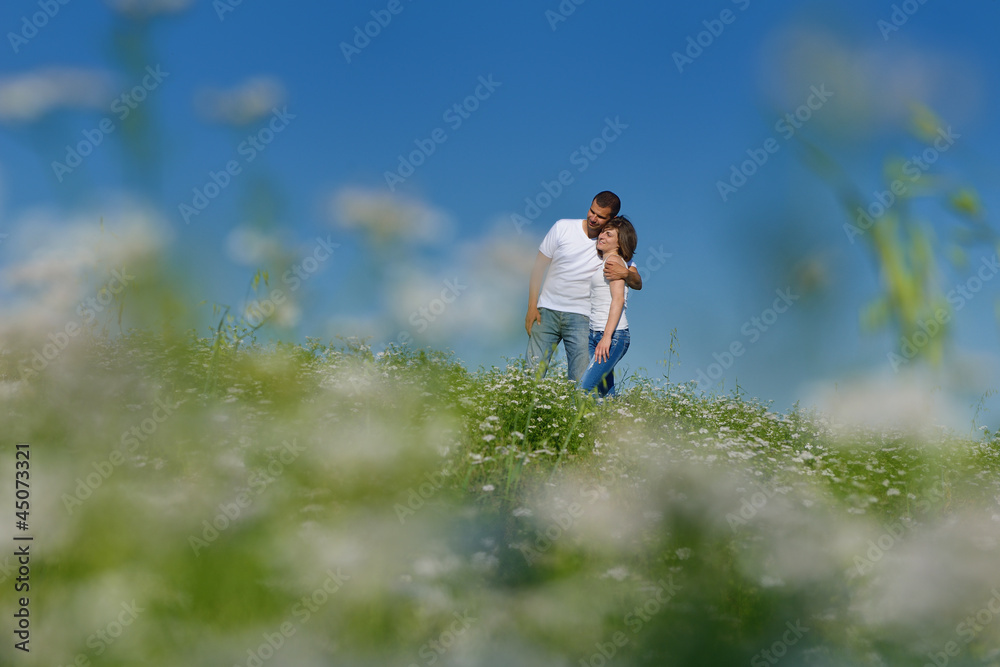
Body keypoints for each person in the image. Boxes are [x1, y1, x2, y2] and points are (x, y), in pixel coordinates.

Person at [525, 191, 642, 382]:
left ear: (611, 218)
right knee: (531, 373)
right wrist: (531, 307)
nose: (593, 218)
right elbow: (538, 267)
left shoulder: (609, 244)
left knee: (580, 379)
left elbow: (637, 282)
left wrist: (625, 273)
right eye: (592, 211)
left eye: (601, 216)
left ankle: (578, 411)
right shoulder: (562, 227)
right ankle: (523, 410)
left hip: (582, 318)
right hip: (546, 311)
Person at [579, 216, 637, 397]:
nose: (602, 235)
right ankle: (612, 424)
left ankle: (579, 423)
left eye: (609, 234)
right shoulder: (605, 263)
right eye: (603, 232)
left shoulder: (614, 263)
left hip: (612, 336)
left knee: (584, 389)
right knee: (605, 394)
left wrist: (606, 337)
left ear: (620, 243)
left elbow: (618, 300)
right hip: (596, 334)